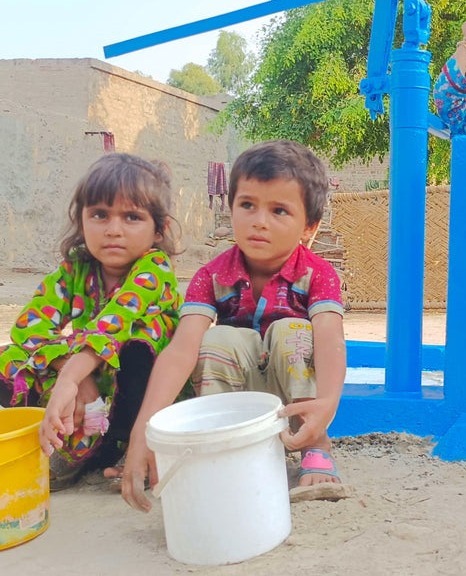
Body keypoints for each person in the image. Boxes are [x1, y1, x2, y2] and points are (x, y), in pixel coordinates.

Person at [118, 139, 347, 512]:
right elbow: (180, 350)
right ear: (231, 208)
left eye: (279, 211)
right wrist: (144, 431)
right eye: (247, 205)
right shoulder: (211, 275)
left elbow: (330, 339)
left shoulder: (316, 273)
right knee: (216, 337)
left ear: (309, 227)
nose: (259, 221)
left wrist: (328, 404)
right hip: (238, 397)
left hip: (291, 395)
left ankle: (315, 445)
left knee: (293, 331)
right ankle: (223, 445)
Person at [0, 153, 181, 489]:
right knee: (8, 358)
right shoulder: (74, 270)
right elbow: (29, 328)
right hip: (92, 390)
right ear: (81, 219)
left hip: (136, 394)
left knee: (140, 343)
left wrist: (71, 376)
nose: (113, 230)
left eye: (131, 217)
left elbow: (113, 323)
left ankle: (129, 445)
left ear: (159, 229)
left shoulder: (155, 270)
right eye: (99, 214)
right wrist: (72, 372)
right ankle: (65, 442)